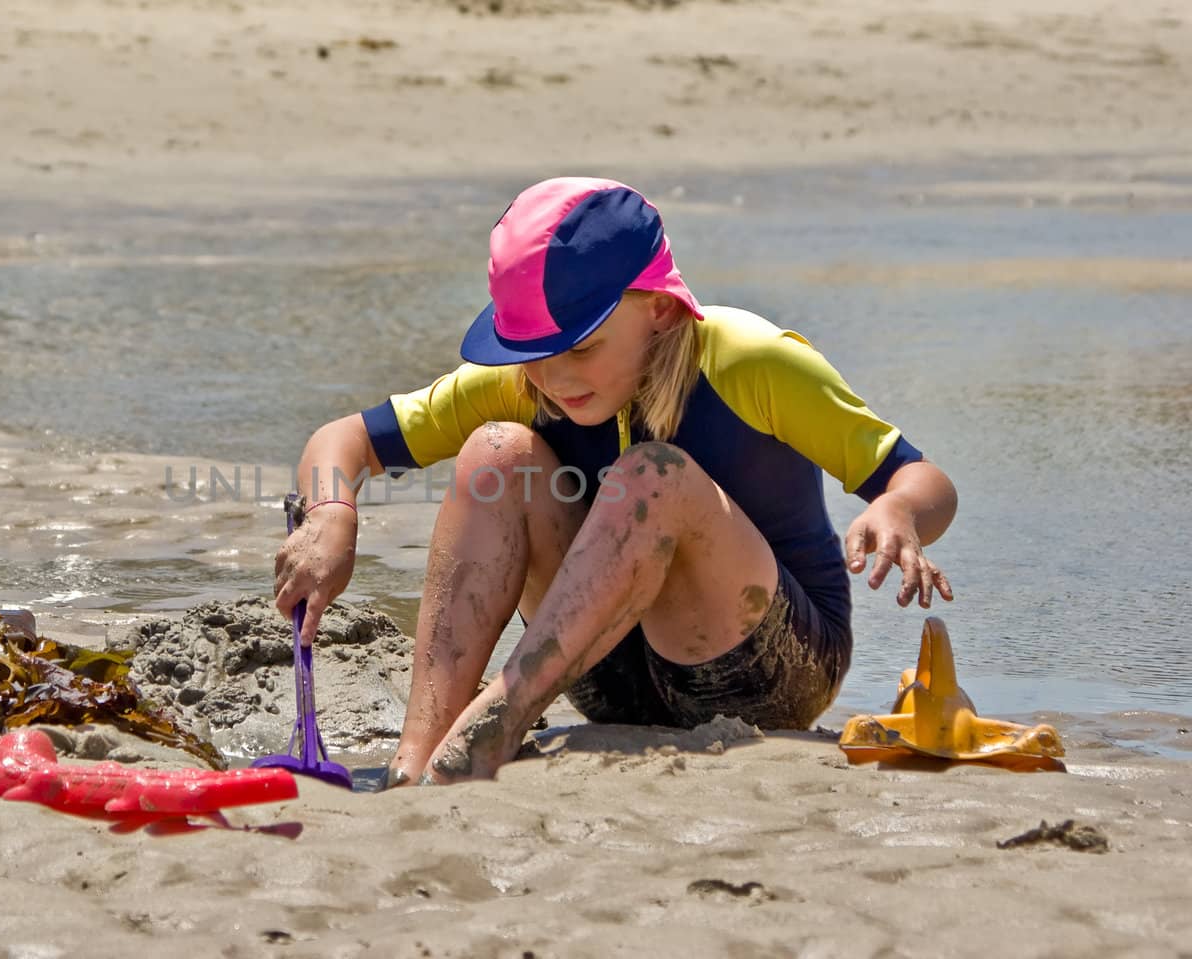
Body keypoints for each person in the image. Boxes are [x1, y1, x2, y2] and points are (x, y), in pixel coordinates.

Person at [272, 176, 957, 786]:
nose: (553, 376)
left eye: (580, 348)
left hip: (765, 666)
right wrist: (331, 511)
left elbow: (924, 479)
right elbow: (347, 440)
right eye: (531, 352)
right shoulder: (521, 381)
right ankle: (417, 759)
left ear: (658, 309)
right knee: (495, 450)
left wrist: (898, 509)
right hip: (599, 670)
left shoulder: (750, 359)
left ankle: (494, 724)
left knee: (651, 477)